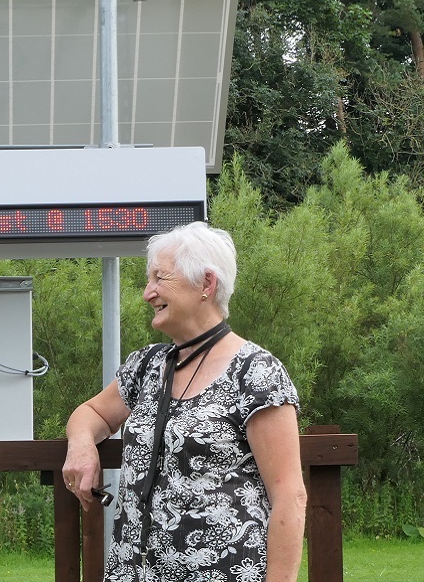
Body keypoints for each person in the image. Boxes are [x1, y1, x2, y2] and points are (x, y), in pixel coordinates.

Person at [62, 221, 307, 582]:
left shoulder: (256, 372)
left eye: (160, 278)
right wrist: (82, 446)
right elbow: (92, 412)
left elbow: (289, 495)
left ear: (206, 284)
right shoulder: (147, 365)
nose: (147, 293)